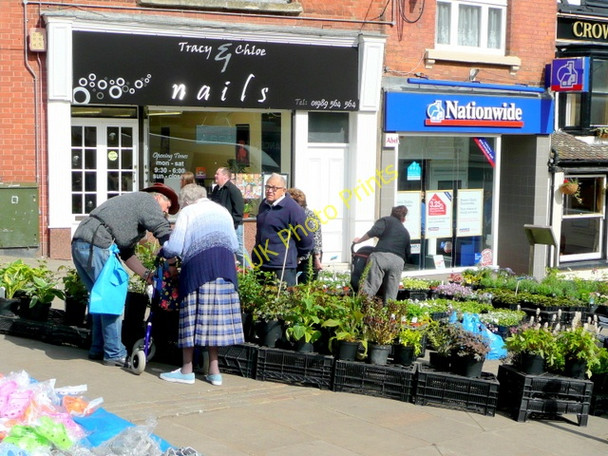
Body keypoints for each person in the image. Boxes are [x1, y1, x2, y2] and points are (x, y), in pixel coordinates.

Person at [71, 183, 180, 366]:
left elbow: (126, 252)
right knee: (111, 299)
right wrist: (172, 264)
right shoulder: (147, 201)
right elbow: (163, 232)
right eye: (167, 207)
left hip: (80, 243)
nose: (166, 213)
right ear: (158, 197)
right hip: (97, 243)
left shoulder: (130, 205)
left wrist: (147, 274)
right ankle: (114, 353)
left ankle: (97, 348)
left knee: (100, 299)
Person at [159, 184, 244, 386]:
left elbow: (175, 246)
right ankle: (215, 372)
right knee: (215, 321)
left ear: (186, 201)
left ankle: (187, 371)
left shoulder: (188, 211)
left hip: (198, 269)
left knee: (191, 318)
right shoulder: (222, 211)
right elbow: (234, 245)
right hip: (225, 269)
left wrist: (164, 248)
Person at [252, 174, 313, 286]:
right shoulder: (264, 205)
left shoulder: (292, 209)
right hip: (262, 263)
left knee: (283, 301)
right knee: (261, 300)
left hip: (282, 266)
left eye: (274, 188)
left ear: (284, 190)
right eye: (267, 187)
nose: (270, 191)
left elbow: (306, 237)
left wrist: (299, 255)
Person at [352, 205, 411, 304]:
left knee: (369, 287)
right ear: (403, 219)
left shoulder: (386, 220)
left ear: (391, 213)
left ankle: (362, 311)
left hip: (381, 257)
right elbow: (408, 253)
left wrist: (359, 241)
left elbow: (373, 232)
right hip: (398, 261)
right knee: (391, 295)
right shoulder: (406, 232)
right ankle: (389, 316)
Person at [209, 167, 245, 267]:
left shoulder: (233, 190)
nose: (215, 176)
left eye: (217, 174)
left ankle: (250, 270)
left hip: (234, 226)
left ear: (225, 176)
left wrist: (233, 225)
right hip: (221, 226)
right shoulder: (216, 189)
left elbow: (239, 210)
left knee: (239, 249)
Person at [286, 188, 323, 283]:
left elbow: (315, 239)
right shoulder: (290, 215)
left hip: (308, 256)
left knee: (306, 284)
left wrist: (317, 259)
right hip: (294, 255)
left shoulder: (310, 217)